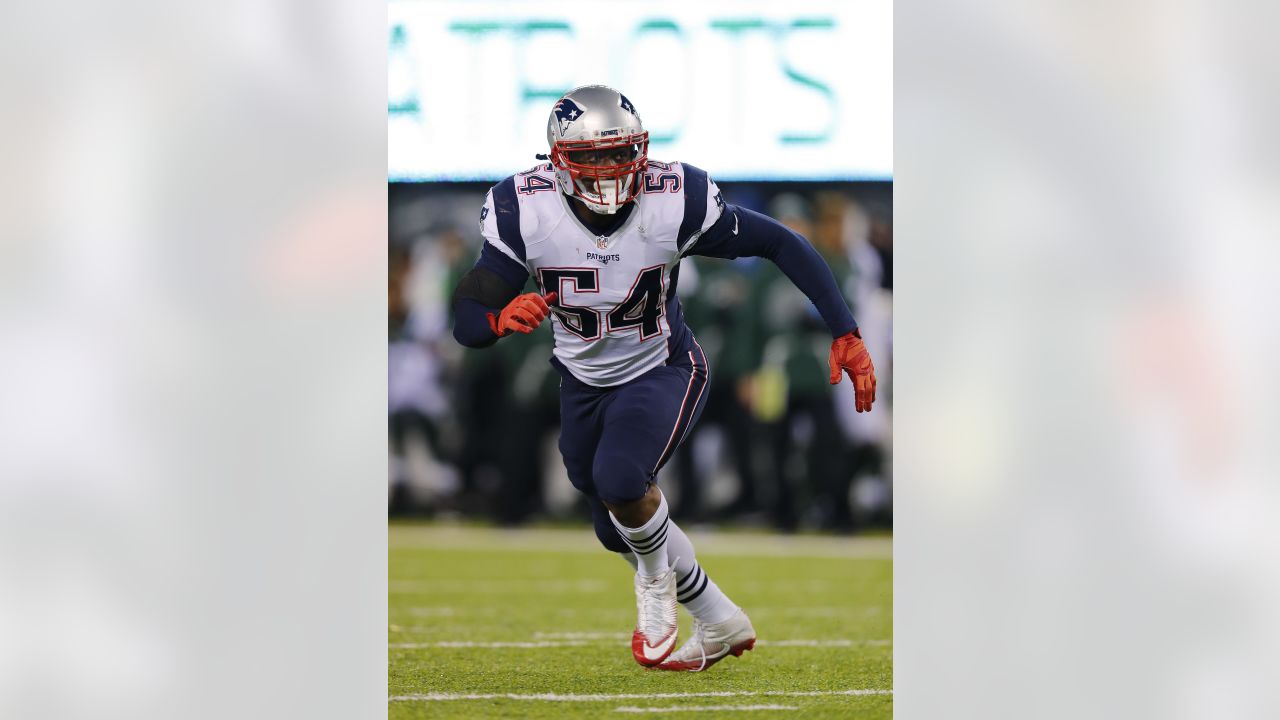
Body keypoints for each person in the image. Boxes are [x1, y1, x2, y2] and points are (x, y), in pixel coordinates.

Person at [450, 85, 877, 672]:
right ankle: (721, 618)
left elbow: (780, 242)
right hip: (582, 380)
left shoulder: (674, 198)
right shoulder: (525, 208)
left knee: (622, 479)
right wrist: (497, 319)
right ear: (556, 161)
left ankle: (655, 591)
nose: (608, 170)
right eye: (592, 156)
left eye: (620, 153)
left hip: (663, 365)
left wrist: (845, 330)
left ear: (642, 149)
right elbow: (468, 312)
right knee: (611, 524)